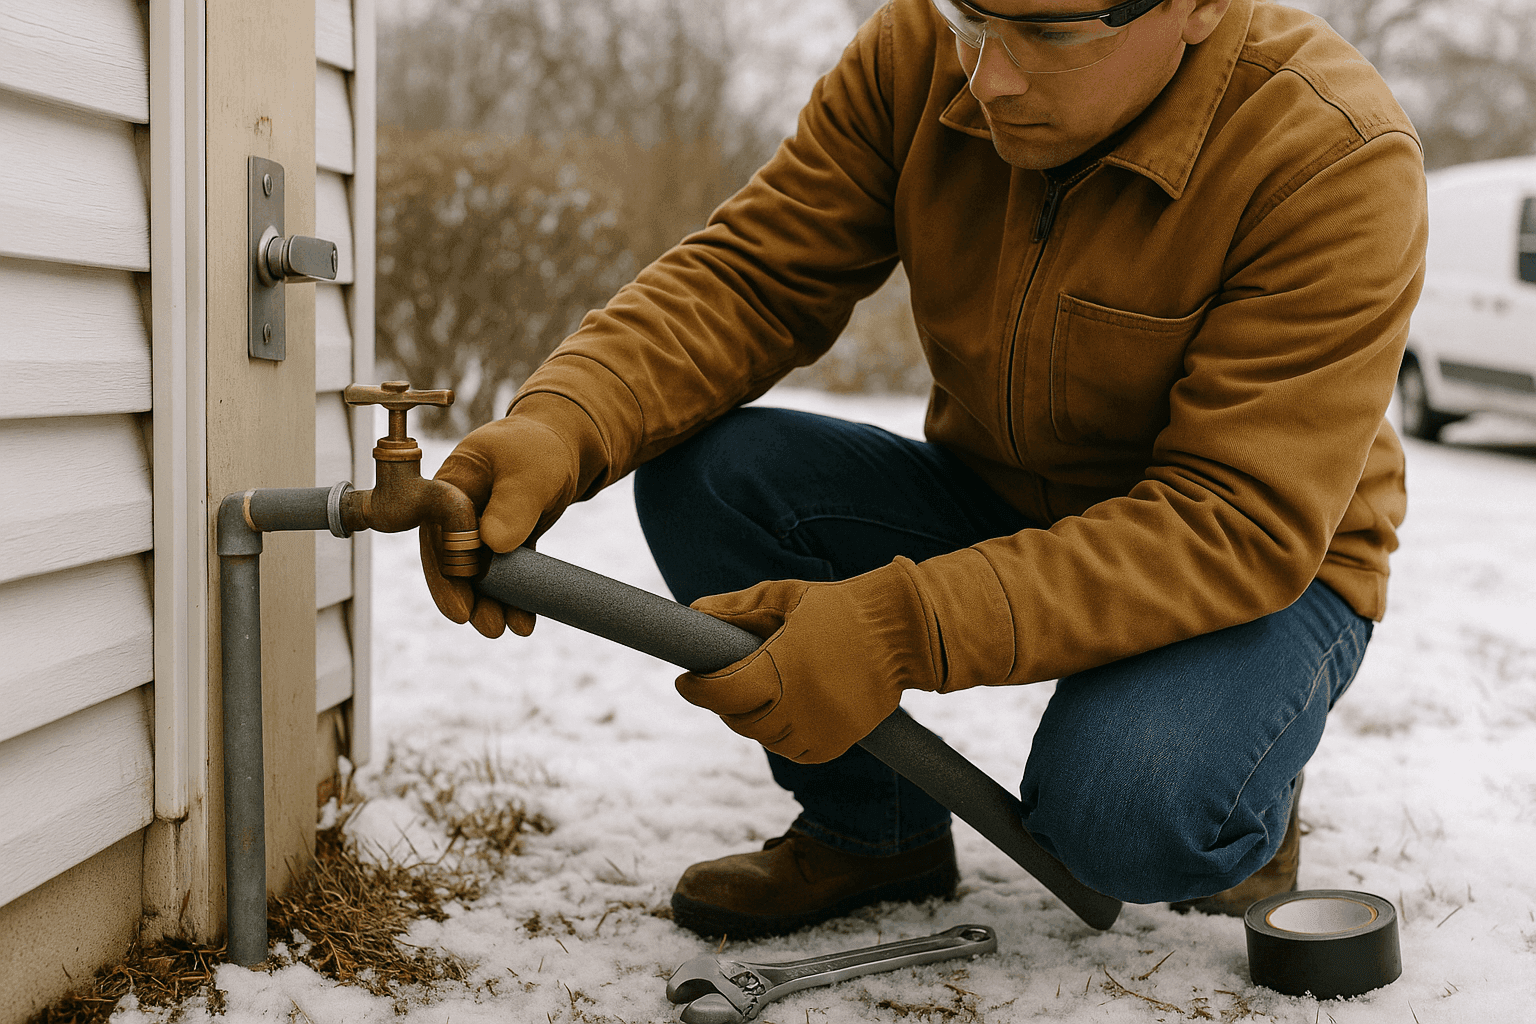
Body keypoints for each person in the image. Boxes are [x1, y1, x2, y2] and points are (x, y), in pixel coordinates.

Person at [420, 0, 1427, 938]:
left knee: (1126, 809)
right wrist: (559, 424)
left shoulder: (1330, 151)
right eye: (968, 15)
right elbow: (752, 276)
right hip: (1000, 497)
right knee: (721, 474)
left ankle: (1242, 784)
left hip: (1257, 568)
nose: (985, 79)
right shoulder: (917, 56)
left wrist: (897, 627)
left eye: (1045, 32)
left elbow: (1234, 517)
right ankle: (876, 835)